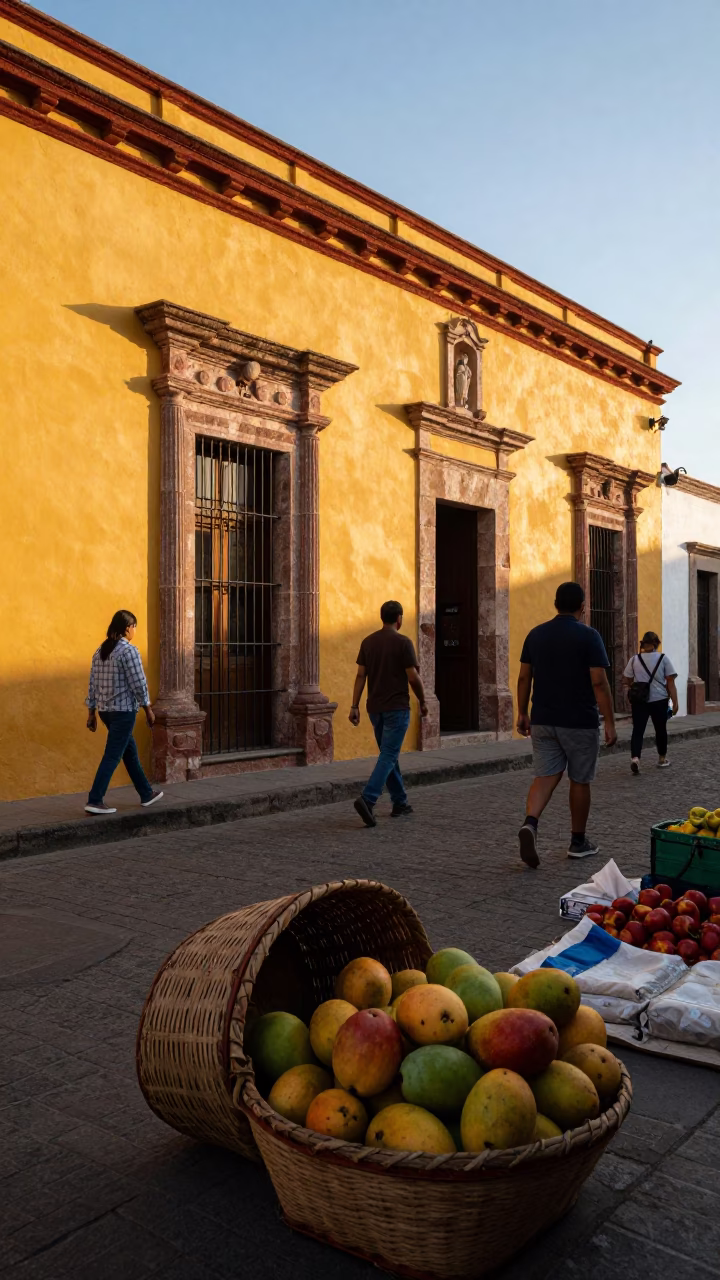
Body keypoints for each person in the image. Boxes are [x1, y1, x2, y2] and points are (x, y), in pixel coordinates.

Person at [516, 581, 617, 868]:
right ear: (582, 607)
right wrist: (609, 721)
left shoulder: (535, 635)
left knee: (546, 775)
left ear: (555, 604)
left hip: (543, 719)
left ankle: (531, 824)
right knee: (580, 779)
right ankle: (578, 841)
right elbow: (598, 681)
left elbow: (525, 677)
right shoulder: (589, 636)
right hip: (579, 721)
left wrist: (522, 712)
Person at [349, 600, 428, 827]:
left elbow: (360, 676)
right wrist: (423, 700)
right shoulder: (403, 643)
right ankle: (368, 798)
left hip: (374, 708)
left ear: (382, 617)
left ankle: (400, 802)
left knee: (389, 754)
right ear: (399, 619)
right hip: (397, 708)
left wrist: (354, 706)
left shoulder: (368, 642)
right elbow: (413, 677)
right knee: (389, 755)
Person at [84, 610, 163, 815]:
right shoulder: (129, 651)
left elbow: (92, 684)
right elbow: (139, 683)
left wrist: (91, 713)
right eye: (135, 626)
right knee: (113, 755)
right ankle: (95, 799)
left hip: (105, 712)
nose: (135, 630)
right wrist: (148, 709)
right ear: (128, 628)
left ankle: (146, 793)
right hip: (123, 711)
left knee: (129, 752)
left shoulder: (100, 651)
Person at [623, 631, 678, 773]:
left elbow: (627, 678)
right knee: (660, 729)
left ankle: (635, 758)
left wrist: (634, 686)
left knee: (638, 730)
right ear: (656, 644)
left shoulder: (634, 659)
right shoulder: (663, 658)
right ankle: (662, 758)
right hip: (659, 699)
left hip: (640, 700)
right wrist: (675, 701)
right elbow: (670, 682)